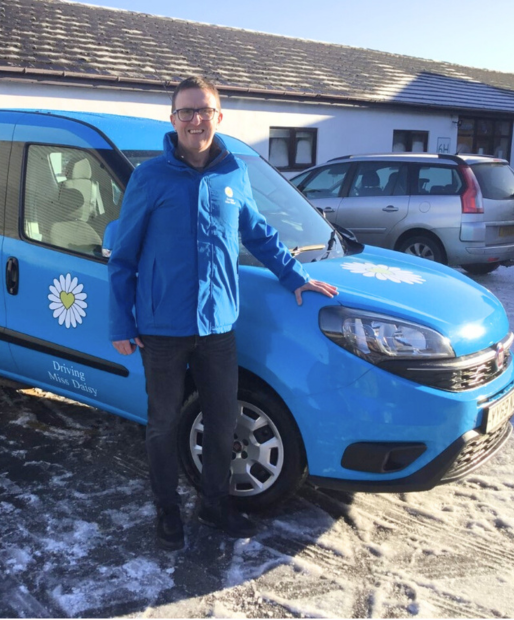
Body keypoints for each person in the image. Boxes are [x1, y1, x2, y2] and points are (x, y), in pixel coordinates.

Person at [108, 76, 338, 551]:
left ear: (219, 116)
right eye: (185, 112)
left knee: (220, 420)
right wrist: (121, 322)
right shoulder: (150, 177)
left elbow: (258, 233)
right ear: (172, 120)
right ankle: (167, 508)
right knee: (163, 422)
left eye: (204, 110)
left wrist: (295, 276)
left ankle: (214, 505)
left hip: (217, 324)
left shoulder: (233, 174)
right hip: (161, 327)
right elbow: (123, 255)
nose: (195, 120)